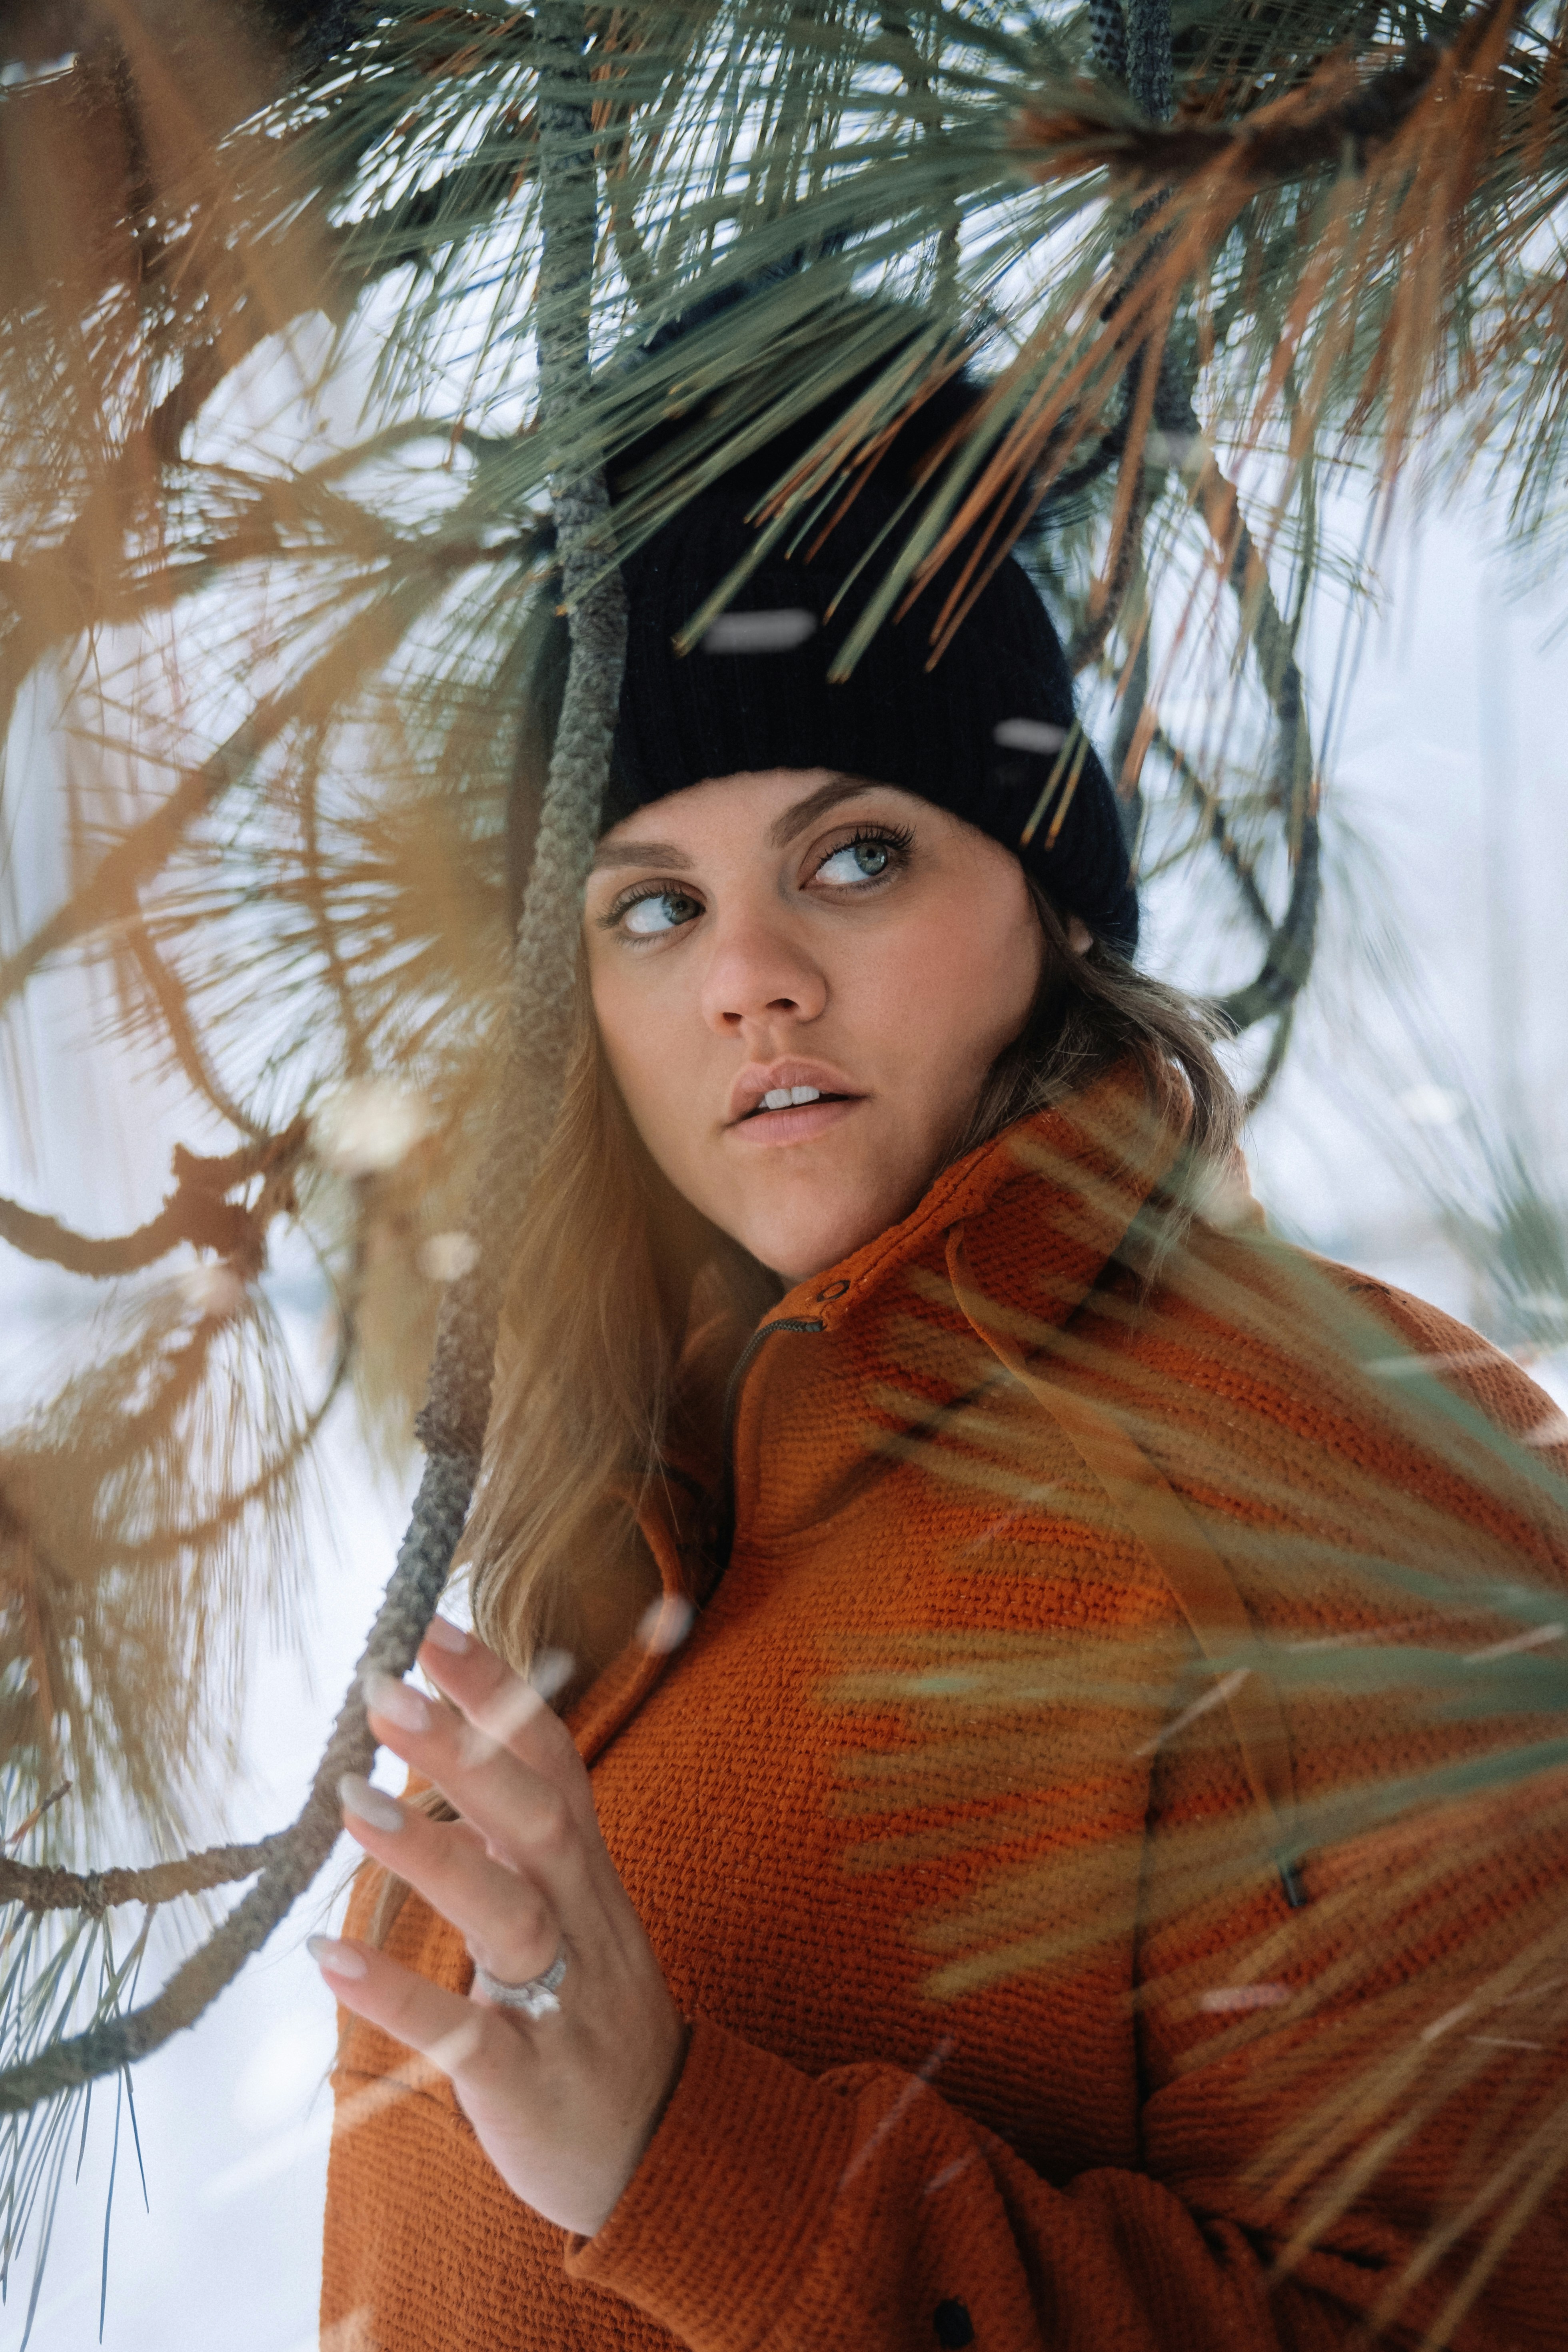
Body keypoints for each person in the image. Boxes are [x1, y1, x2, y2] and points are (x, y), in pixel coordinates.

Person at [311, 380, 1568, 2351]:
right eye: (653, 905)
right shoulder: (633, 1516)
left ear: (1049, 899)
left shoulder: (1352, 1472)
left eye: (859, 856)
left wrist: (685, 2159)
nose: (749, 976)